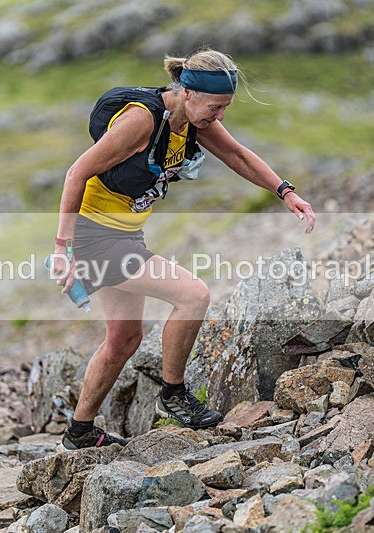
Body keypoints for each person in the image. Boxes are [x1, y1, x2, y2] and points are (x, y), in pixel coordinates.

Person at [52, 48, 316, 450]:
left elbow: (236, 154)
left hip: (126, 235)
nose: (220, 116)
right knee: (193, 295)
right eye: (216, 107)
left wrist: (285, 192)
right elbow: (76, 172)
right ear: (188, 93)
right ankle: (173, 395)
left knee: (124, 339)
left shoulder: (193, 120)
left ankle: (80, 432)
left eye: (225, 107)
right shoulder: (141, 120)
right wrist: (62, 248)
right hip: (95, 237)